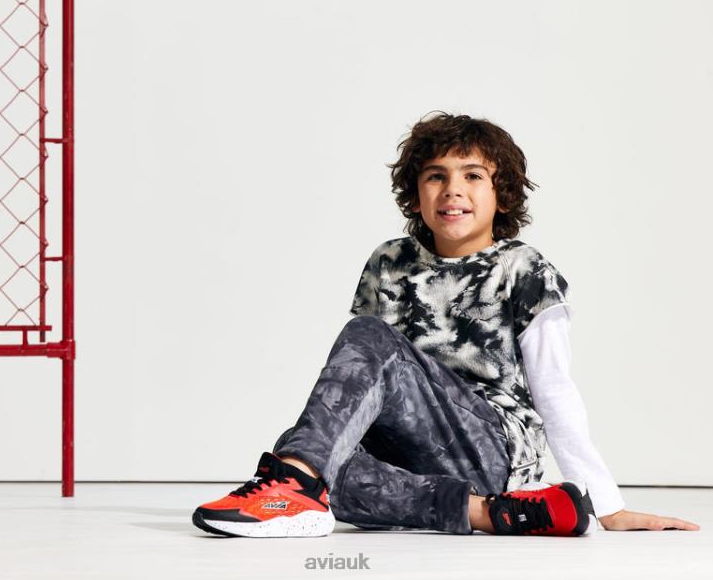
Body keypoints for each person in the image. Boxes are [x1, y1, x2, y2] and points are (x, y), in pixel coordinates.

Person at [192, 112, 700, 537]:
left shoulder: (524, 269)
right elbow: (359, 384)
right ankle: (490, 513)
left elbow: (555, 390)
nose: (452, 190)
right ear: (415, 196)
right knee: (313, 450)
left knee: (337, 399)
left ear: (502, 194)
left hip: (489, 447)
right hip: (408, 449)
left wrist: (607, 504)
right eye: (436, 176)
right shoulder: (389, 261)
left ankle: (294, 487)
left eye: (473, 176)